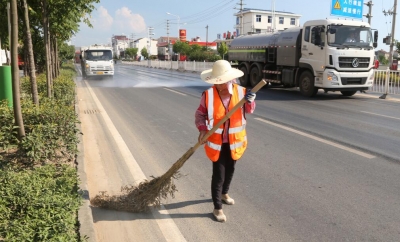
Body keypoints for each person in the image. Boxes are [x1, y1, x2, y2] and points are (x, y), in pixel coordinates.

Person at [195, 60, 257, 222]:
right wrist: (202, 129)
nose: (219, 85)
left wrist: (250, 101)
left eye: (222, 82)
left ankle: (224, 193)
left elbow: (249, 110)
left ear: (229, 79)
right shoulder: (208, 95)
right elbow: (200, 114)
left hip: (235, 141)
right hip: (217, 142)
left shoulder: (242, 92)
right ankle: (217, 208)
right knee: (219, 174)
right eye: (217, 82)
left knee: (231, 169)